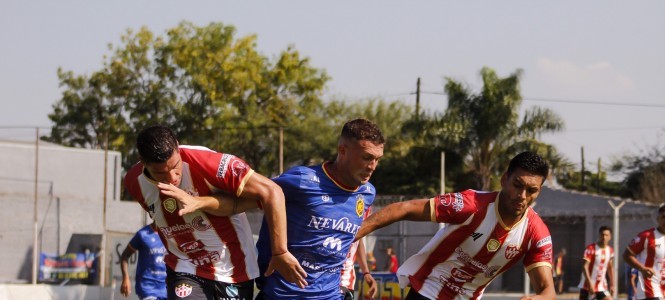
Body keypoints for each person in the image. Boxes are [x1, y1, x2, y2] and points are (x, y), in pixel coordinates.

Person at [124, 125, 306, 300]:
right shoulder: (134, 182)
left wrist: (280, 252)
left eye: (175, 166)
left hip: (233, 268)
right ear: (144, 163)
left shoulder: (209, 162)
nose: (172, 178)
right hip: (184, 266)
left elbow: (271, 192)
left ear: (177, 147)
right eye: (161, 173)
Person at [354, 151, 555, 300]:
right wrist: (351, 235)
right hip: (427, 291)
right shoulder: (470, 204)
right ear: (504, 180)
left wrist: (539, 298)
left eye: (531, 190)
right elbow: (404, 208)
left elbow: (548, 291)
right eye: (517, 185)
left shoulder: (535, 233)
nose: (522, 196)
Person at [254, 118, 385, 299]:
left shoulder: (367, 193)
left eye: (377, 159)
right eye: (366, 157)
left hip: (330, 294)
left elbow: (354, 237)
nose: (372, 166)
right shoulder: (302, 179)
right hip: (281, 293)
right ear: (343, 150)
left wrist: (366, 271)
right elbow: (248, 197)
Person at [623, 204, 665, 300]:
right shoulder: (646, 236)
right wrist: (642, 269)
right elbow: (626, 255)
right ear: (658, 219)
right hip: (650, 288)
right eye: (663, 217)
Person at [120, 223, 167, 300]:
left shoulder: (172, 235)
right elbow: (125, 256)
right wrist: (126, 278)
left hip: (167, 287)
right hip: (148, 288)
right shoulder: (143, 234)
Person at [578, 226, 615, 300]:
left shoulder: (610, 251)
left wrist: (612, 285)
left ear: (610, 237)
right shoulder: (590, 248)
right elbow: (585, 266)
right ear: (599, 235)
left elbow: (610, 268)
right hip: (587, 285)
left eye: (606, 235)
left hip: (601, 286)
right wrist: (589, 283)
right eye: (602, 235)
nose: (604, 237)